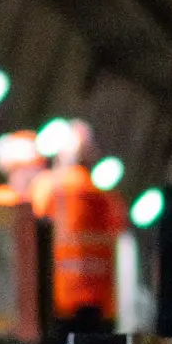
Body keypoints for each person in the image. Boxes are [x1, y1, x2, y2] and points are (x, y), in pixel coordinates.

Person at [31, 119, 122, 329]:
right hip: (100, 300)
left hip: (59, 298)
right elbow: (119, 227)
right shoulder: (106, 196)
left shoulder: (47, 188)